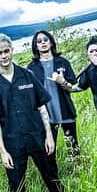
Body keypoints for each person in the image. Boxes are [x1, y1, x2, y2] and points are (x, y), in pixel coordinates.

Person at [0, 33, 62, 192]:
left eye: (6, 51)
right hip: (13, 143)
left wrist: (49, 135)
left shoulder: (27, 75)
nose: (4, 56)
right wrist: (3, 151)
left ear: (12, 50)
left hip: (37, 136)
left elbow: (42, 107)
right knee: (16, 184)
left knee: (51, 173)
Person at [26, 30, 80, 158]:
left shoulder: (62, 62)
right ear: (35, 46)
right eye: (39, 41)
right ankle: (53, 176)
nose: (43, 42)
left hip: (65, 110)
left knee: (73, 146)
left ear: (51, 42)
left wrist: (62, 82)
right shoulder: (31, 68)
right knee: (49, 151)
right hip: (46, 116)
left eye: (45, 39)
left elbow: (71, 86)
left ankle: (78, 170)